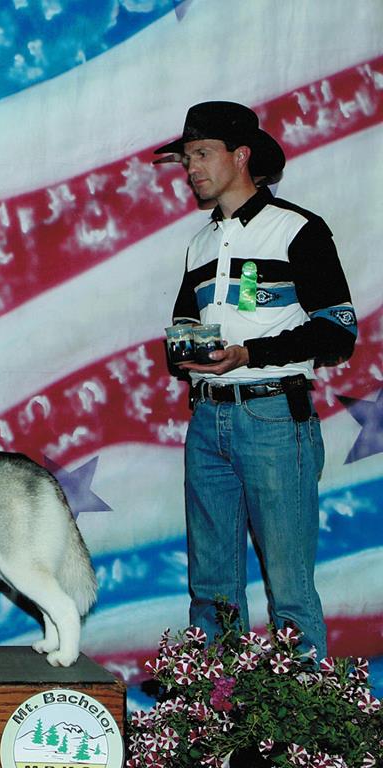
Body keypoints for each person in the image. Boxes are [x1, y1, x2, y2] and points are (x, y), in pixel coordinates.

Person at [159, 101, 357, 659]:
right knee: (211, 590)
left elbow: (338, 332)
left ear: (240, 155)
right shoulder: (200, 244)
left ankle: (302, 741)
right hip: (207, 419)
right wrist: (185, 352)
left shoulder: (297, 229)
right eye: (186, 158)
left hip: (274, 416)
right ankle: (215, 725)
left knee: (289, 591)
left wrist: (250, 352)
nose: (190, 168)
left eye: (201, 153)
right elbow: (185, 329)